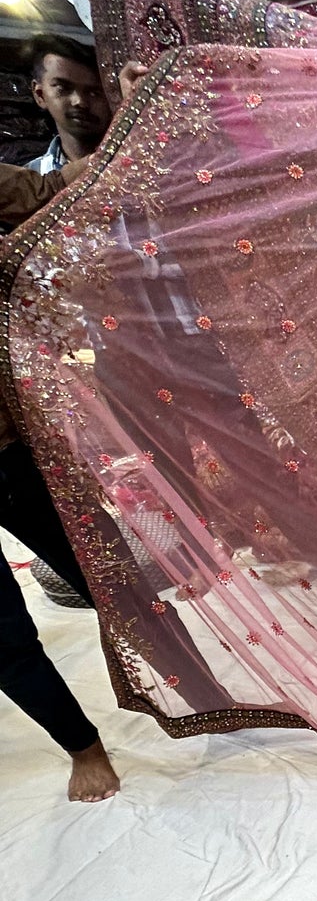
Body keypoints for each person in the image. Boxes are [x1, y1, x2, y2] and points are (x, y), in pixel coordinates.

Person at [0, 154, 122, 801]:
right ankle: (83, 746)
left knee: (110, 576)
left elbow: (47, 193)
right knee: (3, 638)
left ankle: (202, 689)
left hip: (10, 453)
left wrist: (130, 113)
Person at [26, 35, 113, 171]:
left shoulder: (141, 168)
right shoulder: (30, 182)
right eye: (64, 88)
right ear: (40, 95)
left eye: (95, 92)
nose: (80, 102)